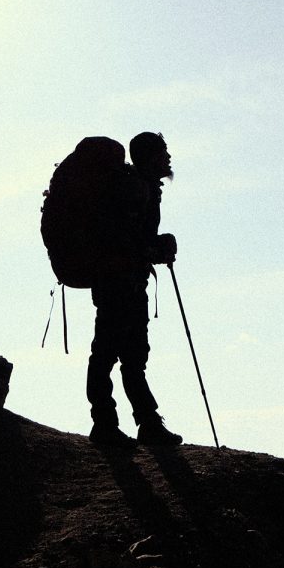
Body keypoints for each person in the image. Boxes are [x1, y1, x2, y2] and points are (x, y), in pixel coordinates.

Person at [87, 131, 183, 449]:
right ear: (146, 156)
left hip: (127, 282)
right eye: (162, 152)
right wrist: (157, 248)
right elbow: (126, 240)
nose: (167, 157)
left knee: (129, 357)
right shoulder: (131, 189)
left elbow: (133, 240)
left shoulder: (143, 188)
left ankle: (144, 423)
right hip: (118, 283)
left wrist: (156, 246)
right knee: (110, 355)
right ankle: (108, 425)